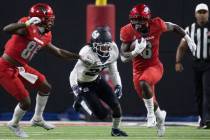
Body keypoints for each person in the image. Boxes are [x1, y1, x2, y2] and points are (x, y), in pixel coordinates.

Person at [0, 3, 93, 138]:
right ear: (39, 19)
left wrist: (80, 57)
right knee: (25, 102)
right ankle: (13, 124)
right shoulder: (27, 26)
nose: (52, 21)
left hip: (21, 68)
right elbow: (6, 29)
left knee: (45, 87)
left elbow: (59, 52)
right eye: (49, 19)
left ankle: (37, 119)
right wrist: (26, 24)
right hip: (5, 67)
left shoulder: (46, 34)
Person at [120, 4, 196, 137]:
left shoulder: (157, 25)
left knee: (144, 83)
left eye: (141, 20)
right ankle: (160, 118)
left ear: (148, 19)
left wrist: (188, 39)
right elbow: (123, 57)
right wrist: (134, 51)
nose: (138, 23)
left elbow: (174, 27)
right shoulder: (127, 31)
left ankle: (150, 116)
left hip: (154, 66)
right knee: (149, 99)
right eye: (135, 20)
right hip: (137, 70)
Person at [69, 27, 128, 137]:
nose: (105, 49)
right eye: (102, 46)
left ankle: (115, 130)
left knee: (116, 105)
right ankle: (79, 101)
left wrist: (118, 85)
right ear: (94, 45)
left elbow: (114, 70)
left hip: (97, 80)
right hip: (83, 85)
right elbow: (73, 73)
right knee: (102, 115)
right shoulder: (86, 53)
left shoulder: (113, 49)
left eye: (107, 46)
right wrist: (76, 90)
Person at [175, 3, 210, 129]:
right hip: (196, 64)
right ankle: (203, 119)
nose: (202, 15)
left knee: (207, 90)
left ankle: (207, 119)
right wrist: (178, 62)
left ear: (208, 13)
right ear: (195, 14)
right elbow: (182, 47)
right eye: (199, 12)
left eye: (204, 12)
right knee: (199, 93)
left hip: (208, 64)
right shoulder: (190, 29)